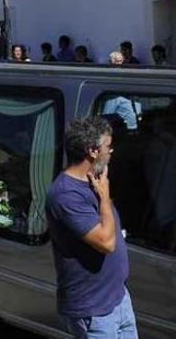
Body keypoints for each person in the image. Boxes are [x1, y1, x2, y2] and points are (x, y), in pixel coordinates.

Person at [46, 117, 136, 338]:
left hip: (116, 297)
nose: (111, 151)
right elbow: (106, 242)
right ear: (92, 151)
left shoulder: (94, 178)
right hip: (94, 310)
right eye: (108, 146)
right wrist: (105, 197)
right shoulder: (66, 195)